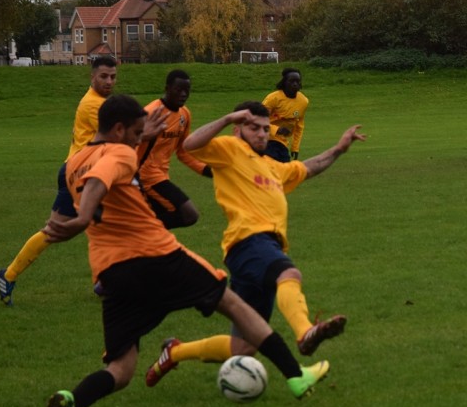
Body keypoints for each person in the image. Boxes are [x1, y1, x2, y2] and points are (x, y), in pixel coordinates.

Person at [35, 94, 329, 407]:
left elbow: (58, 219)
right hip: (157, 255)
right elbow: (103, 175)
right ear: (117, 129)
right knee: (234, 304)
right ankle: (296, 376)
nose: (137, 140)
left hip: (111, 271)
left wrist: (69, 223)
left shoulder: (72, 165)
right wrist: (84, 216)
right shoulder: (120, 153)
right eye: (136, 133)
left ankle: (71, 400)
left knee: (121, 370)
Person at [145, 101, 365, 387]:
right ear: (239, 131)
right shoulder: (229, 149)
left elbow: (307, 168)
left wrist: (338, 149)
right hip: (250, 241)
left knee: (244, 346)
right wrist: (227, 117)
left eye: (265, 129)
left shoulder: (272, 166)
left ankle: (175, 351)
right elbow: (191, 144)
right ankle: (304, 332)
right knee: (289, 275)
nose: (262, 134)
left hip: (255, 251)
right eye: (254, 128)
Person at [0, 56, 118, 305]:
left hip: (83, 172)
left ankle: (105, 280)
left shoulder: (102, 102)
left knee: (104, 225)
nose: (109, 81)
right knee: (58, 230)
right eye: (104, 76)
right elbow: (120, 134)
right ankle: (8, 275)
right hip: (80, 175)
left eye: (113, 77)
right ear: (92, 76)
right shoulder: (94, 105)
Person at [136, 69, 211, 229]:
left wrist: (206, 170)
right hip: (145, 177)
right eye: (179, 90)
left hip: (162, 176)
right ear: (167, 88)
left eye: (187, 90)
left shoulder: (185, 115)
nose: (183, 94)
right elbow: (128, 144)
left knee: (160, 219)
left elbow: (183, 151)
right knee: (189, 214)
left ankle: (141, 236)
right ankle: (137, 229)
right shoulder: (150, 113)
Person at [261, 68, 308, 163]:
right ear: (284, 82)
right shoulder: (273, 98)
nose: (295, 84)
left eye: (297, 81)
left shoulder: (303, 101)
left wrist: (295, 147)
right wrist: (276, 129)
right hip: (266, 139)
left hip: (282, 141)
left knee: (284, 170)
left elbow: (299, 126)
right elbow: (257, 120)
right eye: (291, 81)